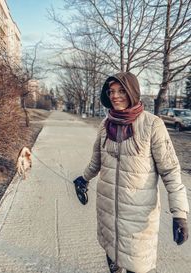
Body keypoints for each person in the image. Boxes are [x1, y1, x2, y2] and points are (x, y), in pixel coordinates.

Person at [73, 72, 189, 273]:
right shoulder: (105, 124)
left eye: (121, 91)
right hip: (107, 211)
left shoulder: (153, 124)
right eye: (111, 91)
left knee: (137, 265)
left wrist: (180, 214)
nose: (115, 96)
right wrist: (83, 179)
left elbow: (171, 171)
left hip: (137, 218)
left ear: (132, 92)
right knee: (112, 260)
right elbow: (96, 161)